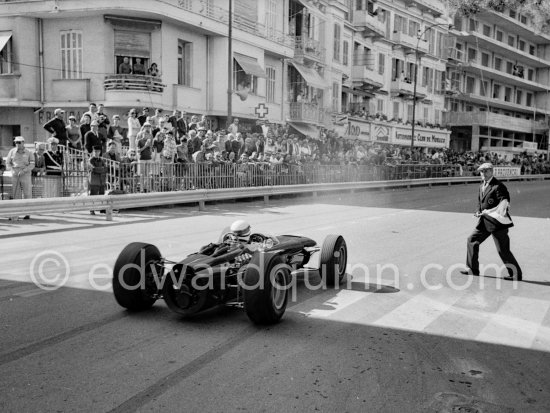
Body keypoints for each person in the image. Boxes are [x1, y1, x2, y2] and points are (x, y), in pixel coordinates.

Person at [461, 163, 522, 281]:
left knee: (503, 250)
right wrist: (478, 211)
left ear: (491, 171)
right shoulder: (481, 186)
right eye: (481, 172)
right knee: (472, 240)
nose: (483, 174)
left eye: (486, 171)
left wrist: (489, 211)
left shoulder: (499, 186)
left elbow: (504, 203)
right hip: (484, 222)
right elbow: (480, 203)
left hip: (498, 223)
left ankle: (516, 275)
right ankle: (472, 269)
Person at [6, 136, 34, 207]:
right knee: (16, 193)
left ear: (23, 142)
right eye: (16, 142)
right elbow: (8, 163)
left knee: (27, 193)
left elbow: (32, 165)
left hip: (25, 174)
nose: (17, 144)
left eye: (19, 142)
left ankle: (27, 212)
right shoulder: (12, 151)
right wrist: (11, 170)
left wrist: (24, 171)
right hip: (15, 174)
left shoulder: (29, 152)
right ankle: (16, 212)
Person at [88, 146, 107, 214]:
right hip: (94, 181)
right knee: (93, 195)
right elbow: (93, 169)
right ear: (93, 152)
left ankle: (102, 209)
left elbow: (105, 169)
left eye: (98, 151)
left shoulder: (101, 160)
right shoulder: (90, 160)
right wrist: (100, 169)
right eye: (95, 151)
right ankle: (91, 209)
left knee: (102, 194)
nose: (96, 153)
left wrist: (98, 169)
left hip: (101, 180)